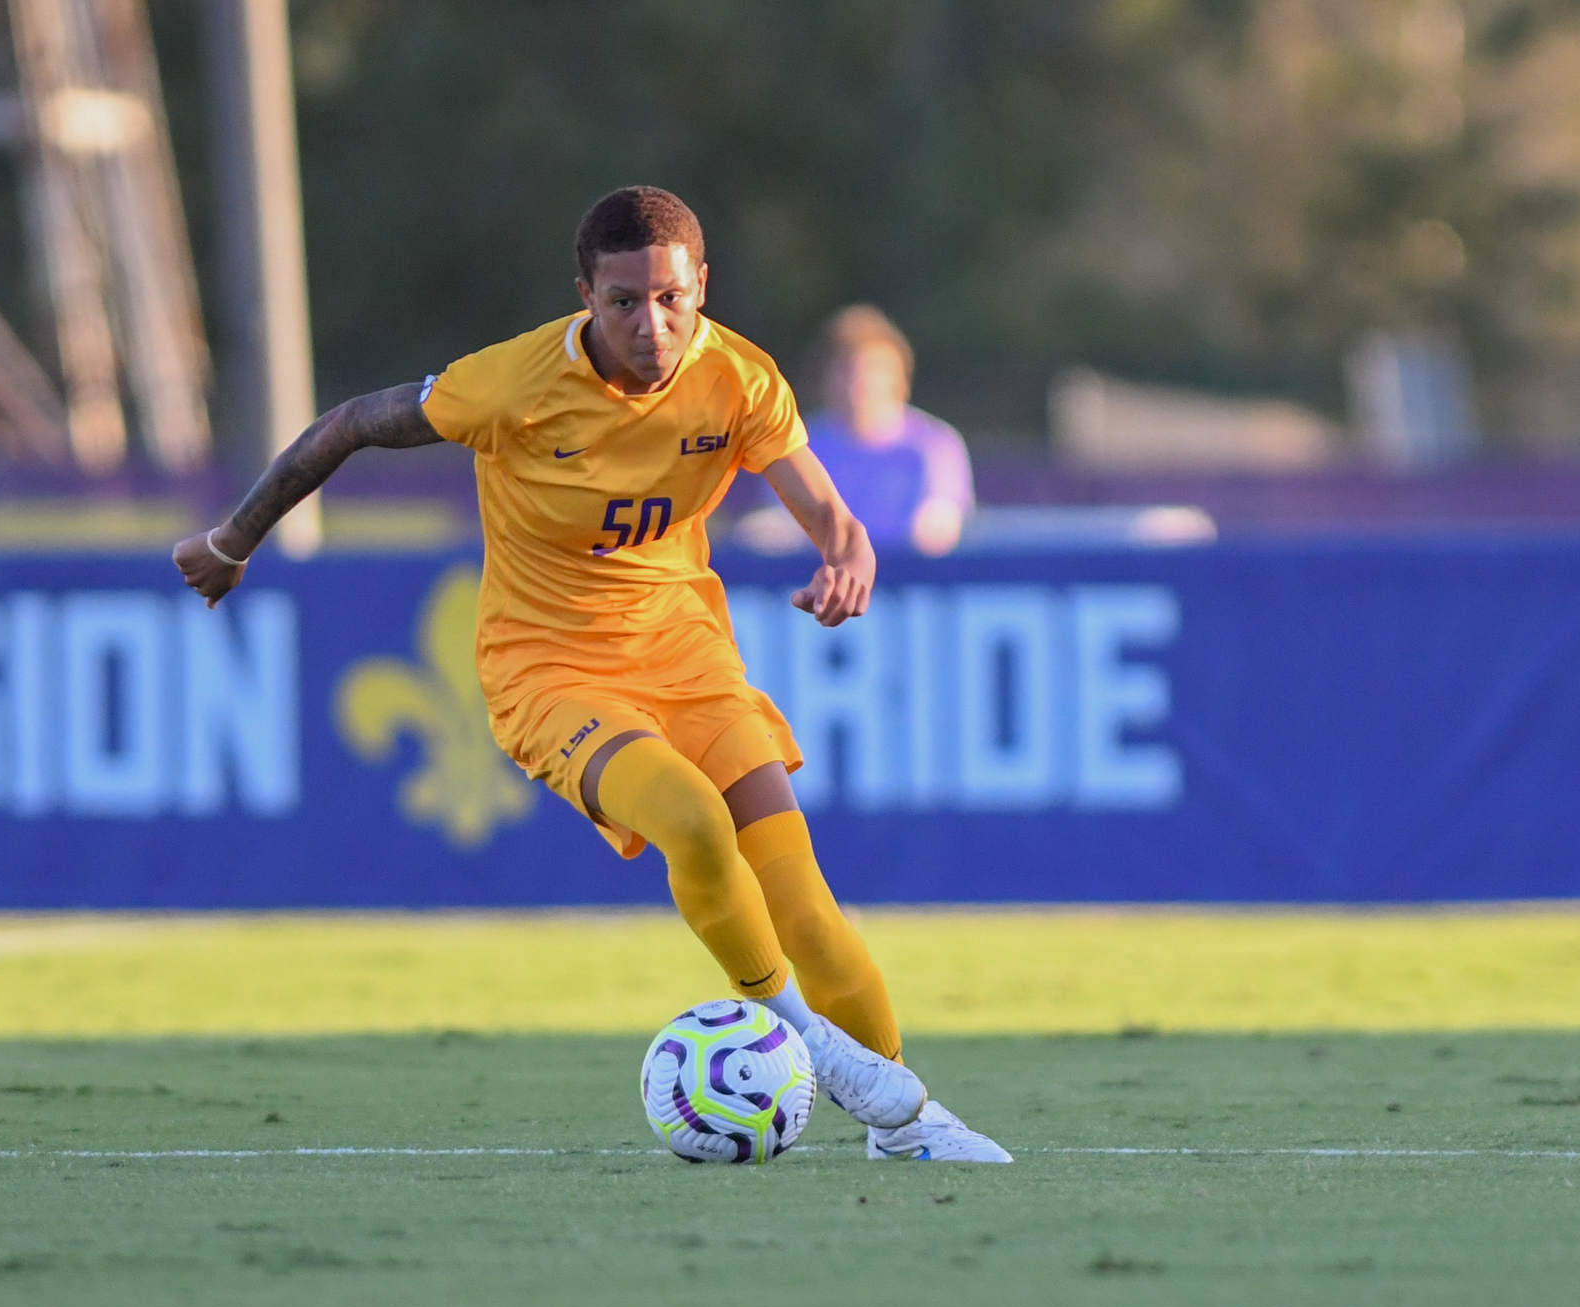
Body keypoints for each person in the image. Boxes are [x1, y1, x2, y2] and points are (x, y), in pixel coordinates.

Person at [173, 186, 1008, 1163]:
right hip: (551, 673)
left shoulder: (739, 378)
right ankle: (822, 1049)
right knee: (690, 822)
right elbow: (353, 422)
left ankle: (901, 1131)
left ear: (701, 289)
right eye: (623, 303)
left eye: (672, 300)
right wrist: (234, 539)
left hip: (688, 658)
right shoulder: (511, 385)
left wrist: (844, 549)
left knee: (810, 912)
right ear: (585, 296)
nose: (651, 325)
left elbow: (823, 505)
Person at [737, 305, 974, 556]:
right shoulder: (797, 442)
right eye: (847, 370)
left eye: (875, 369)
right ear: (826, 378)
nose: (861, 382)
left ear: (900, 378)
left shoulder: (936, 443)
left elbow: (941, 521)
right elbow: (782, 520)